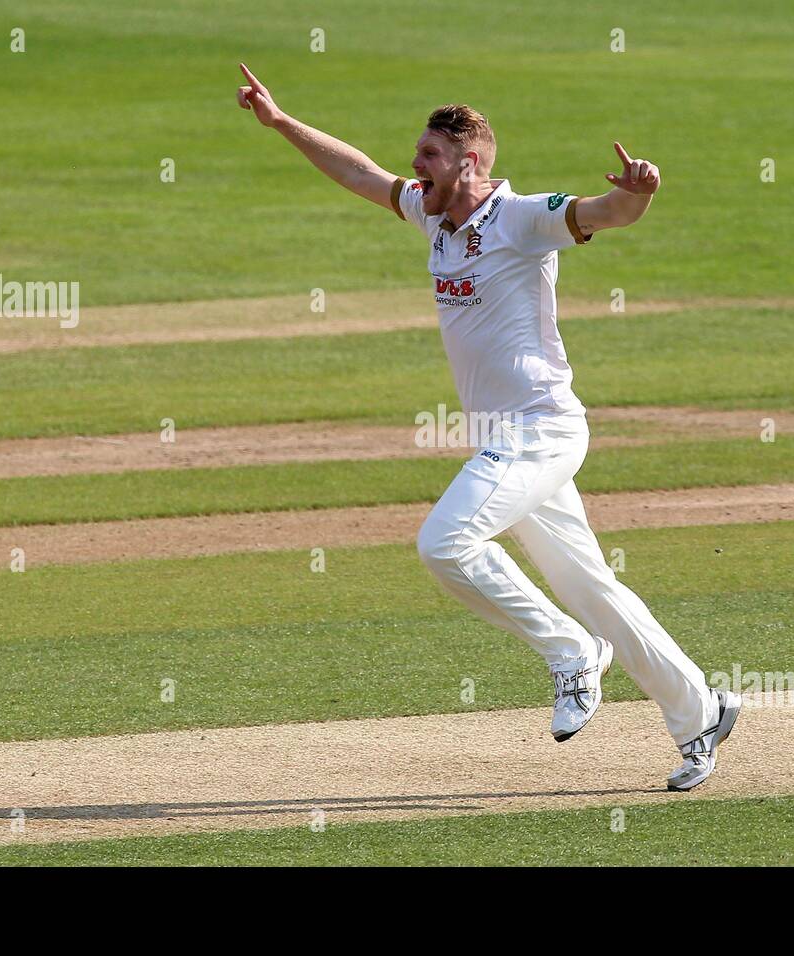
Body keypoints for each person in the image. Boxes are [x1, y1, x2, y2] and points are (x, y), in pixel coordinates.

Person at [237, 64, 740, 790]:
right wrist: (282, 123)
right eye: (418, 155)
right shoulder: (431, 214)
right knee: (594, 586)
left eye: (430, 156)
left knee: (445, 542)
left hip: (541, 429)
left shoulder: (522, 217)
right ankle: (702, 712)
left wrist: (639, 194)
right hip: (506, 442)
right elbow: (360, 174)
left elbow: (603, 213)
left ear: (468, 162)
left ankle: (571, 652)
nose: (415, 166)